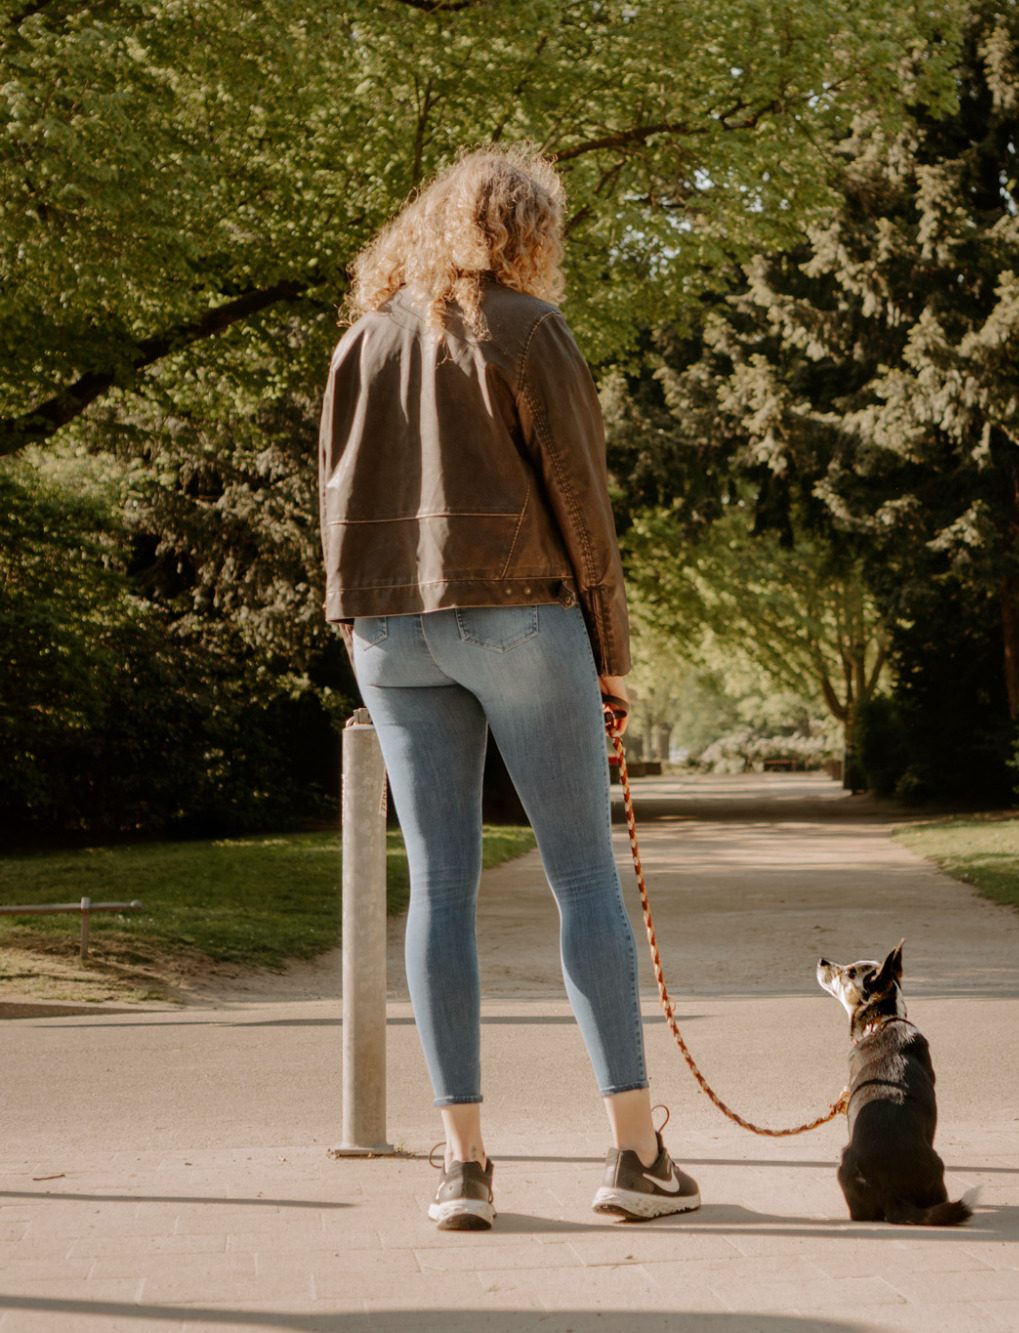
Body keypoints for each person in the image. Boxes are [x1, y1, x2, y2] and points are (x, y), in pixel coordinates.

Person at [317, 145, 700, 1230]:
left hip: (390, 626)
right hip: (519, 611)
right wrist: (608, 648)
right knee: (582, 876)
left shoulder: (361, 338)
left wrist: (352, 622)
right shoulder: (528, 329)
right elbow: (580, 498)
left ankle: (463, 1167)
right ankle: (635, 1156)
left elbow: (331, 494)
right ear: (526, 231)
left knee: (439, 888)